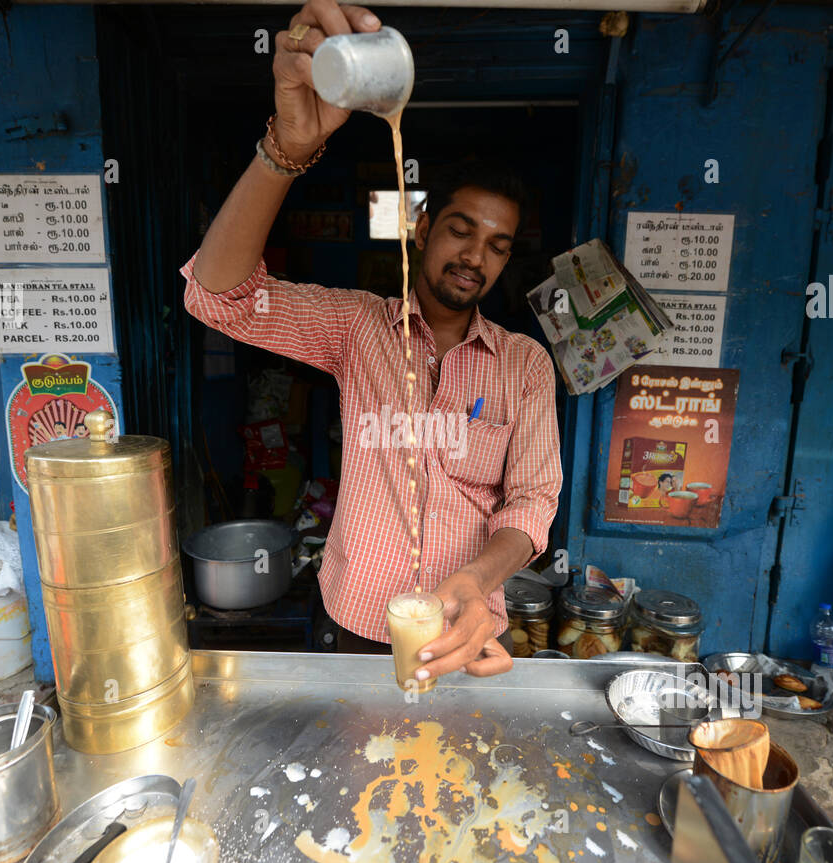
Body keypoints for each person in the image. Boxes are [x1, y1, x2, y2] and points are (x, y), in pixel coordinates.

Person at [181, 0, 561, 681]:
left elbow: (532, 503)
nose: (476, 255)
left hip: (462, 637)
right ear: (420, 230)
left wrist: (476, 578)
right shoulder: (358, 327)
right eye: (459, 228)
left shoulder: (525, 364)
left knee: (452, 784)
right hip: (356, 622)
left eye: (498, 245)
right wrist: (286, 150)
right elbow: (217, 297)